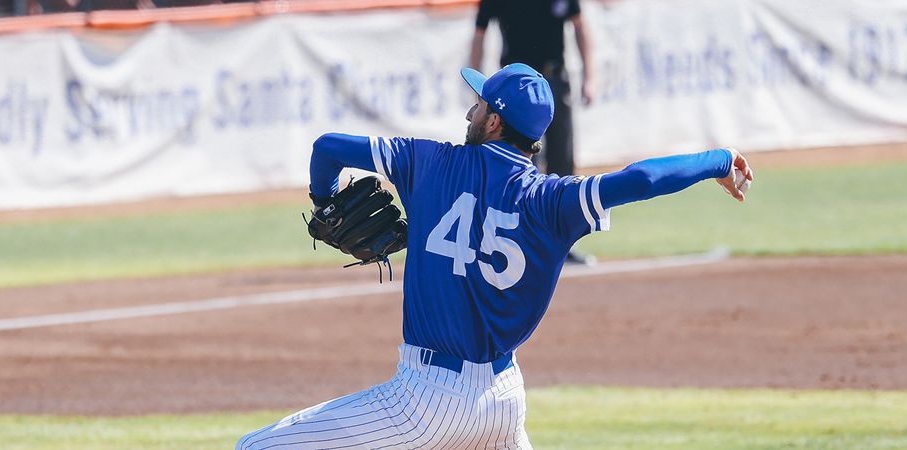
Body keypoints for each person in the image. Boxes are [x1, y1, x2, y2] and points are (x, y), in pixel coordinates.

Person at [235, 63, 752, 449]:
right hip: (503, 401)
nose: (470, 111)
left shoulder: (427, 162)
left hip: (425, 402)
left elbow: (327, 146)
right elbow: (641, 179)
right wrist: (720, 159)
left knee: (255, 448)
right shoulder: (553, 201)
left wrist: (323, 200)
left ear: (494, 122)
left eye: (479, 105)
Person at [470, 0, 595, 264]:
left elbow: (579, 25)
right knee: (519, 167)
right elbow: (480, 33)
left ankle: (563, 244)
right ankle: (520, 241)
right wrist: (480, 92)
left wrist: (589, 77)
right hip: (515, 94)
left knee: (563, 163)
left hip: (554, 79)